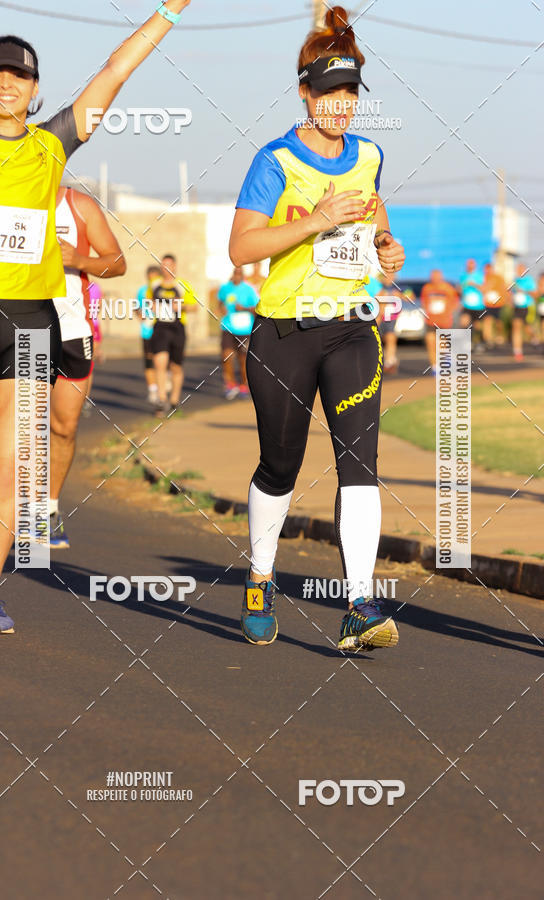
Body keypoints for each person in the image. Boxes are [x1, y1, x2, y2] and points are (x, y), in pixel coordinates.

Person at [0, 2, 191, 634]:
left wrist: (168, 12)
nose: (6, 85)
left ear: (34, 90)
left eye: (18, 77)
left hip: (31, 327)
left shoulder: (54, 142)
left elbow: (116, 70)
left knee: (10, 469)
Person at [229, 6, 405, 650]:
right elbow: (241, 248)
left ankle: (359, 605)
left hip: (352, 327)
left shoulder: (371, 155)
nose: (339, 106)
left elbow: (377, 218)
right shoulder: (274, 160)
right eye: (328, 93)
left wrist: (388, 246)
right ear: (304, 92)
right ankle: (260, 577)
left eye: (350, 94)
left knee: (359, 463)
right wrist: (314, 219)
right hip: (283, 332)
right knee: (280, 464)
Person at [49, 186, 126, 549]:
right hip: (16, 327)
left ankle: (46, 510)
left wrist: (79, 260)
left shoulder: (78, 205)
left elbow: (117, 262)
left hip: (71, 329)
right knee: (14, 426)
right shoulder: (3, 195)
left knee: (62, 427)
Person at [149, 254, 197, 416]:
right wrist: (151, 307)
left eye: (169, 265)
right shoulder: (154, 284)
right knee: (160, 363)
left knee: (175, 366)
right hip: (160, 327)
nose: (166, 268)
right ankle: (162, 400)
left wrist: (181, 306)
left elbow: (194, 307)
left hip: (177, 327)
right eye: (163, 265)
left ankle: (174, 400)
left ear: (175, 266)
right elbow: (148, 302)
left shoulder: (183, 285)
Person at [218, 266, 258, 399]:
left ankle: (244, 384)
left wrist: (244, 308)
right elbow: (219, 303)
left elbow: (257, 308)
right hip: (228, 327)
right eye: (235, 273)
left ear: (243, 275)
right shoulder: (225, 288)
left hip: (244, 328)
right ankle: (230, 384)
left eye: (240, 273)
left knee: (243, 358)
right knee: (226, 355)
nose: (237, 275)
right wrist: (221, 308)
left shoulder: (249, 289)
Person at [420, 269, 459, 373]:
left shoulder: (447, 288)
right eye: (433, 276)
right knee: (430, 342)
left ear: (441, 277)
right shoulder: (427, 288)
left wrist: (448, 312)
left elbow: (455, 302)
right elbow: (424, 301)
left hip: (444, 321)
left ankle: (445, 361)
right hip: (430, 320)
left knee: (442, 344)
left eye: (437, 276)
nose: (435, 279)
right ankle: (434, 367)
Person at [137, 264, 162, 405]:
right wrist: (139, 314)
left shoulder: (163, 290)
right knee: (149, 359)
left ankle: (164, 383)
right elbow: (137, 307)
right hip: (147, 330)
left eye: (155, 278)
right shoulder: (142, 291)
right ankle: (153, 389)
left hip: (162, 330)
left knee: (162, 360)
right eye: (149, 278)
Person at [374, 272, 405, 375]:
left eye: (391, 276)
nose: (389, 278)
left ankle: (389, 361)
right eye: (386, 276)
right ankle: (385, 361)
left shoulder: (398, 287)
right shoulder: (378, 287)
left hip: (391, 318)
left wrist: (400, 295)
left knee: (391, 337)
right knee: (378, 340)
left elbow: (410, 296)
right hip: (379, 317)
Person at [510, 263, 536, 361]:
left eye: (521, 269)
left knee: (527, 328)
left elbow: (535, 294)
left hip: (528, 307)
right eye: (518, 269)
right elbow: (511, 293)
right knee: (516, 326)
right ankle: (517, 352)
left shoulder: (529, 281)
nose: (519, 271)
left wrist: (524, 291)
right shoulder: (515, 281)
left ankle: (535, 340)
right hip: (517, 308)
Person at [481, 262, 508, 349]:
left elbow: (504, 289)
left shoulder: (498, 278)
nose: (487, 271)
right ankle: (488, 340)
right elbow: (482, 289)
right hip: (488, 304)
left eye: (488, 269)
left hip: (498, 303)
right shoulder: (483, 278)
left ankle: (499, 336)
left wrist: (505, 299)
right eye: (485, 269)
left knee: (498, 322)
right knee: (487, 321)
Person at [458, 258, 485, 342]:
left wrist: (474, 284)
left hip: (478, 305)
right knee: (464, 323)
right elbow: (460, 289)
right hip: (466, 304)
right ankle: (466, 343)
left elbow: (484, 289)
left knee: (477, 326)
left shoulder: (480, 275)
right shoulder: (463, 276)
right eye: (468, 264)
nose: (470, 266)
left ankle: (479, 342)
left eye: (471, 264)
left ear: (475, 266)